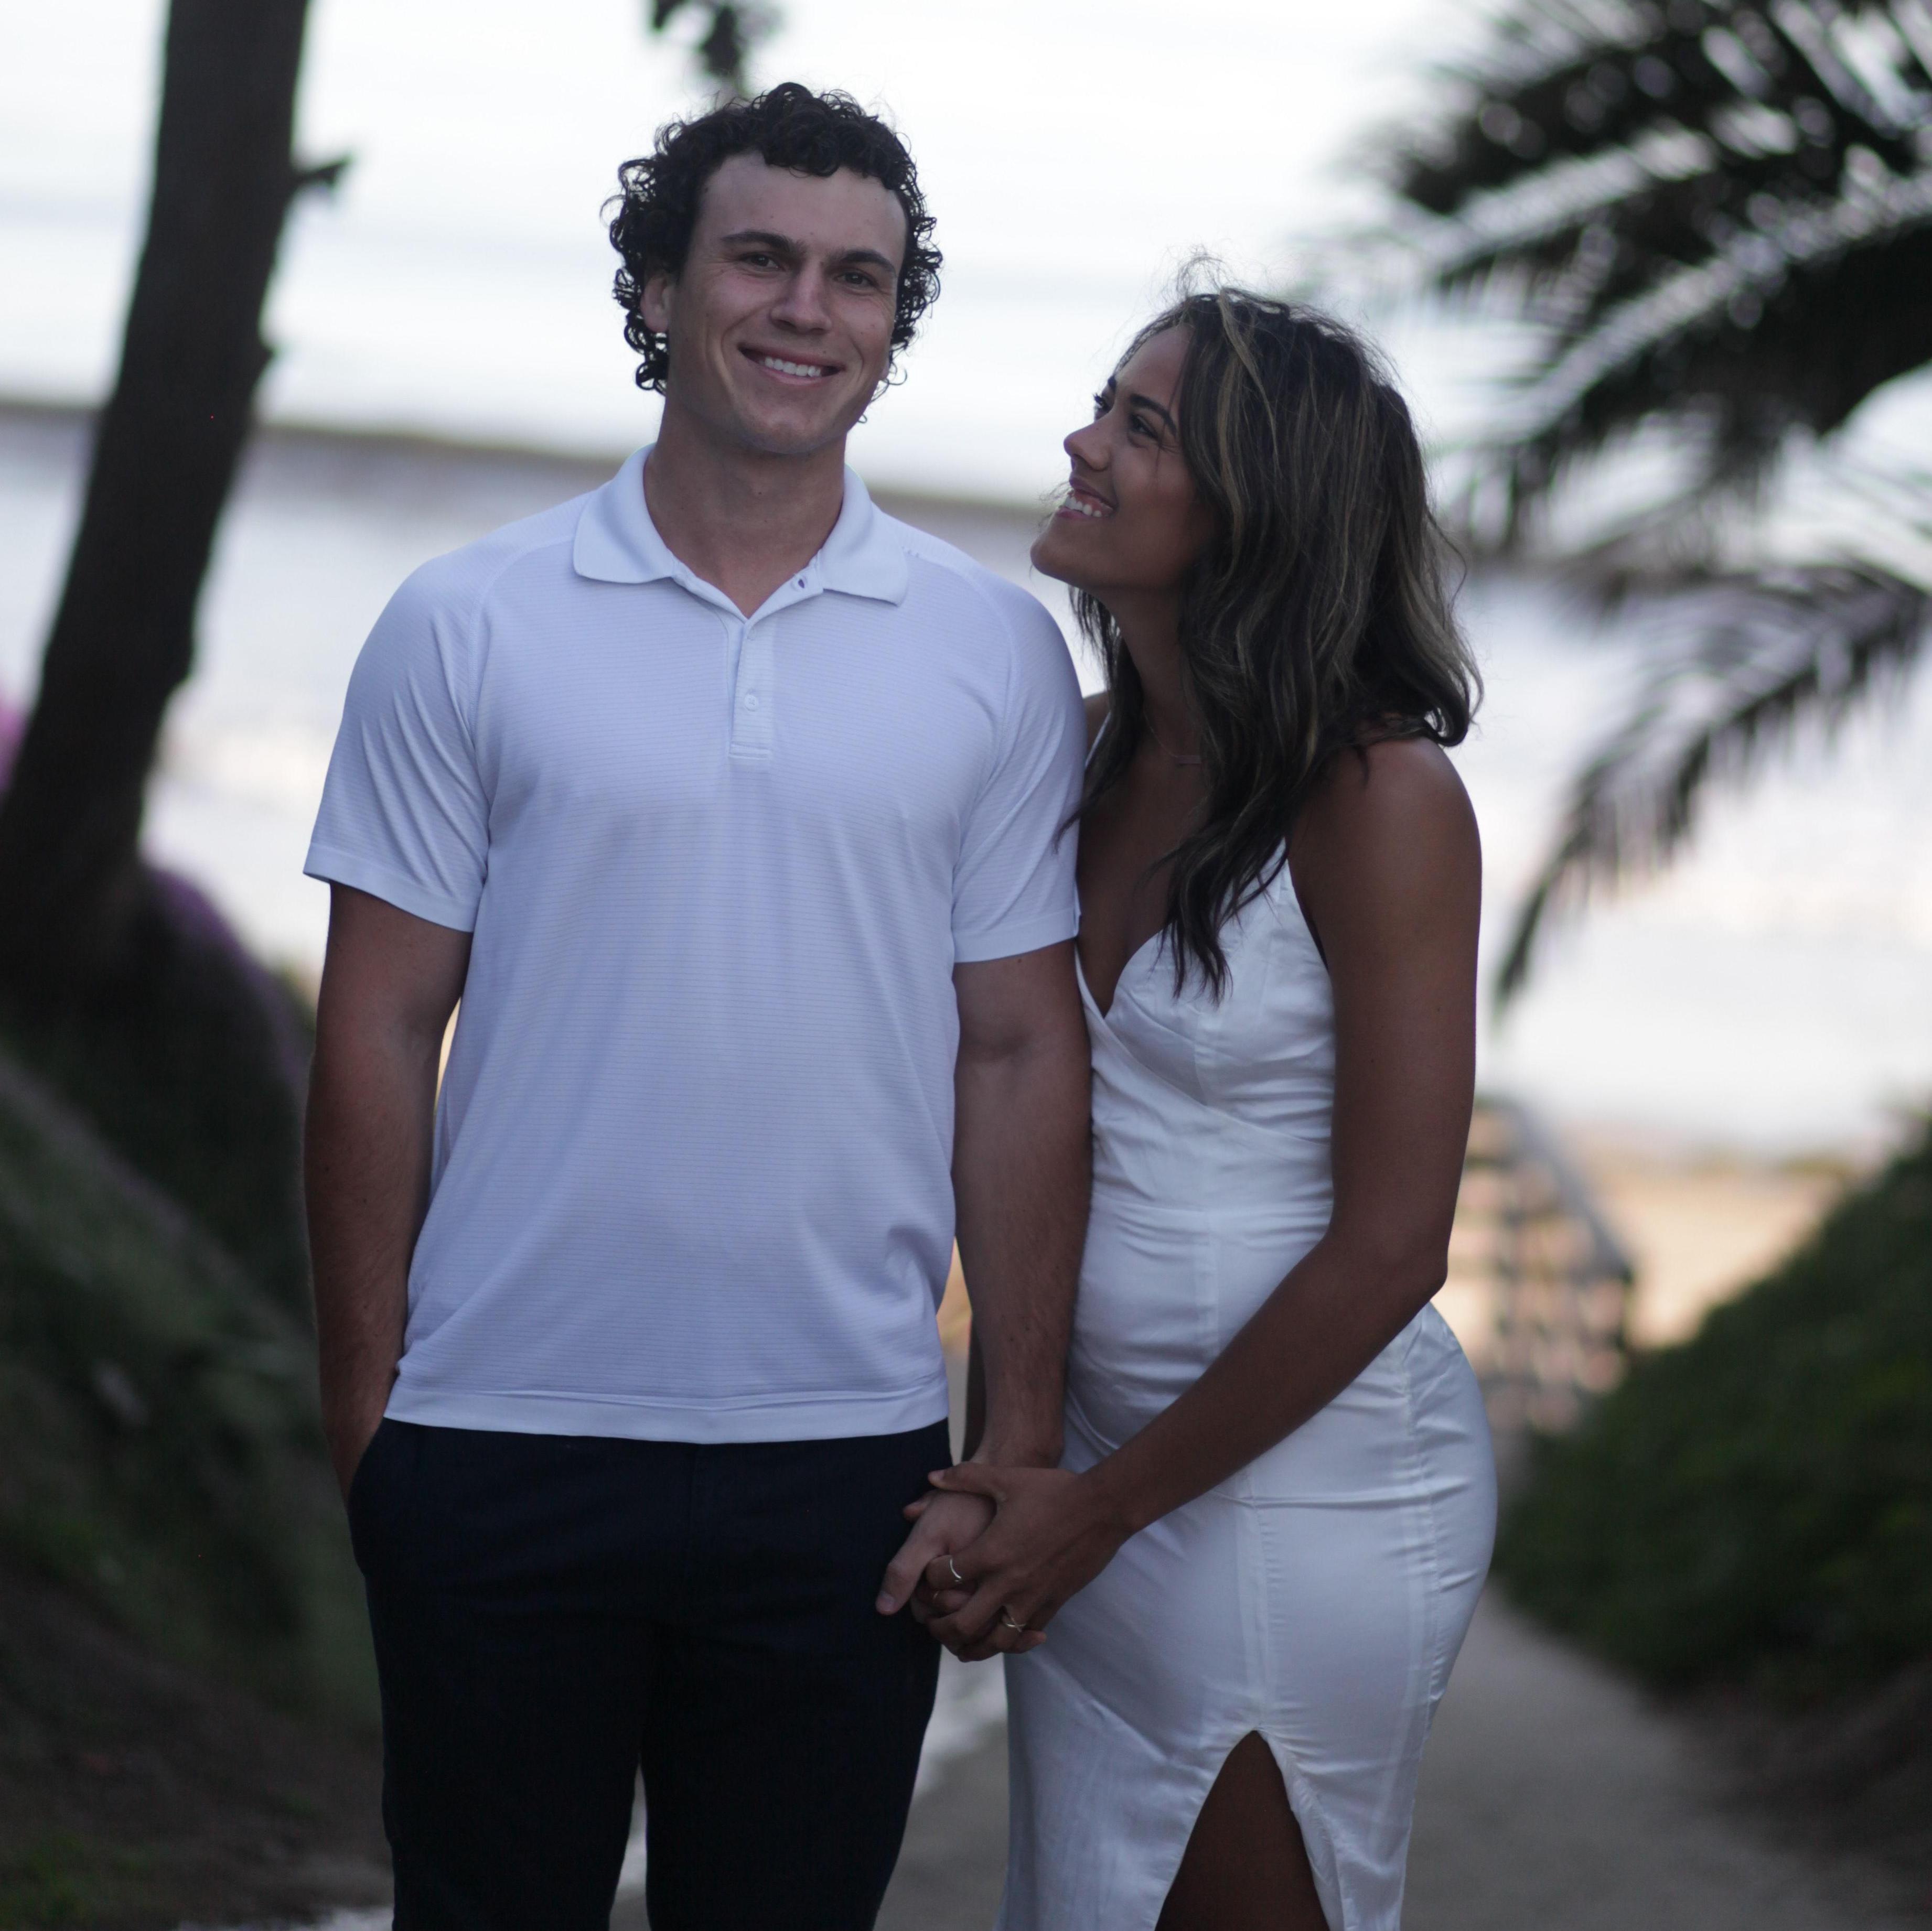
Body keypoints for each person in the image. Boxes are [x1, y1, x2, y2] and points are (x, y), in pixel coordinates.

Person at [302, 84, 1090, 1931]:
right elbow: (375, 1030)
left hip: (845, 1468)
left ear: (894, 323)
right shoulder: (465, 622)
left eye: (857, 277)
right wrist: (373, 1434)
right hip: (498, 1438)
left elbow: (1016, 1051)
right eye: (758, 259)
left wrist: (1015, 1443)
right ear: (659, 290)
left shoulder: (990, 650)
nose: (807, 309)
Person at [913, 289, 1498, 1931]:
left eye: (1141, 427)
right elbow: (1027, 1143)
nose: (1082, 444)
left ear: (1255, 508)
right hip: (1085, 1475)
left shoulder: (1377, 800)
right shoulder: (1072, 759)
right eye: (1103, 403)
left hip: (1301, 1489)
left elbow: (1395, 1244)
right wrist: (1012, 1459)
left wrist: (1096, 1513)